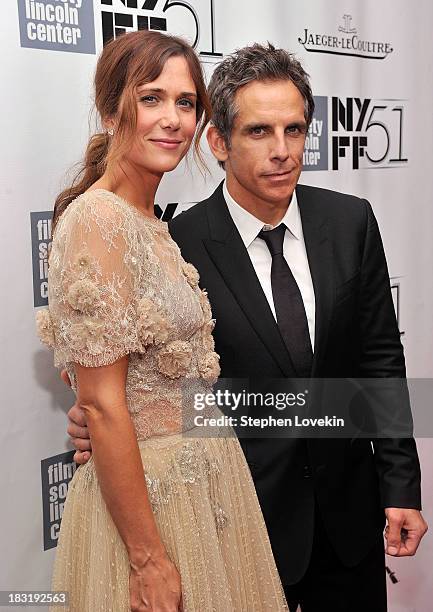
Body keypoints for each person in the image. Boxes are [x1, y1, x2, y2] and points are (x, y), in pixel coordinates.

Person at [67, 43, 428, 611]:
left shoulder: (350, 220)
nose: (282, 152)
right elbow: (153, 385)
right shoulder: (176, 243)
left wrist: (402, 485)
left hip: (349, 520)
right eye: (259, 132)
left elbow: (381, 357)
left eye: (295, 130)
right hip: (237, 523)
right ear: (218, 142)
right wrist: (105, 418)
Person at [36, 32, 288, 612]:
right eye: (151, 98)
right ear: (109, 111)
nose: (173, 119)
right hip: (150, 506)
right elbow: (102, 405)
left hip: (204, 488)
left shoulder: (148, 221)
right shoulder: (98, 219)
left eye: (185, 102)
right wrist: (147, 558)